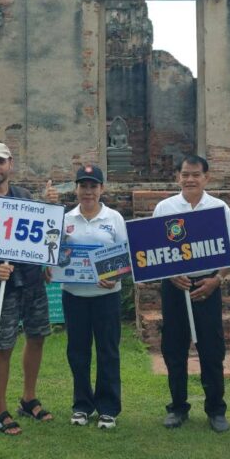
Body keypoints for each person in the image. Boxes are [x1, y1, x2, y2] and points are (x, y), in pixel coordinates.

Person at [0, 141, 53, 435]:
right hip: (1, 284)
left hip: (31, 280)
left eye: (0, 162)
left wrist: (46, 261)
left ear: (10, 164)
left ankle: (28, 399)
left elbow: (40, 235)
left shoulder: (24, 197)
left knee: (37, 336)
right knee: (3, 345)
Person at [154, 154, 230, 432]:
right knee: (174, 348)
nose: (190, 179)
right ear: (177, 177)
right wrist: (170, 274)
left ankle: (216, 410)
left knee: (212, 349)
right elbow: (152, 251)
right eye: (185, 174)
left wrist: (217, 280)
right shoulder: (165, 208)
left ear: (206, 177)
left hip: (207, 286)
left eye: (196, 174)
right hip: (175, 287)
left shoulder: (218, 208)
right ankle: (177, 407)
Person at [57, 164, 128, 429]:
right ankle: (82, 405)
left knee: (108, 351)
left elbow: (125, 256)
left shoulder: (114, 218)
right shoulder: (66, 219)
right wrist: (52, 268)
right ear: (76, 189)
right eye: (83, 186)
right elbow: (56, 254)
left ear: (101, 189)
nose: (88, 191)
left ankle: (108, 408)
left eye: (93, 186)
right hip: (74, 295)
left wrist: (116, 277)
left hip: (106, 296)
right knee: (78, 352)